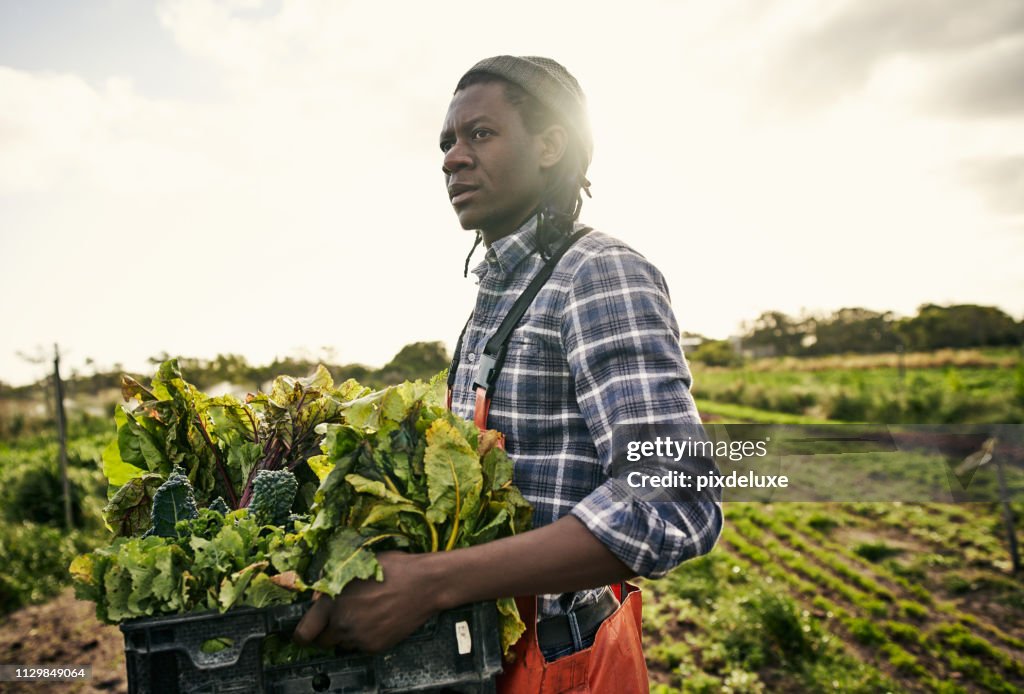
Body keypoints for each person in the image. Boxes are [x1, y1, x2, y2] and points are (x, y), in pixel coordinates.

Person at [294, 55, 723, 691]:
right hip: (488, 661)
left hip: (565, 668)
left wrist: (432, 584)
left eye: (480, 134)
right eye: (446, 143)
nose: (451, 158)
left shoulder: (597, 274)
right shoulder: (498, 297)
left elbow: (672, 499)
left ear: (551, 144)